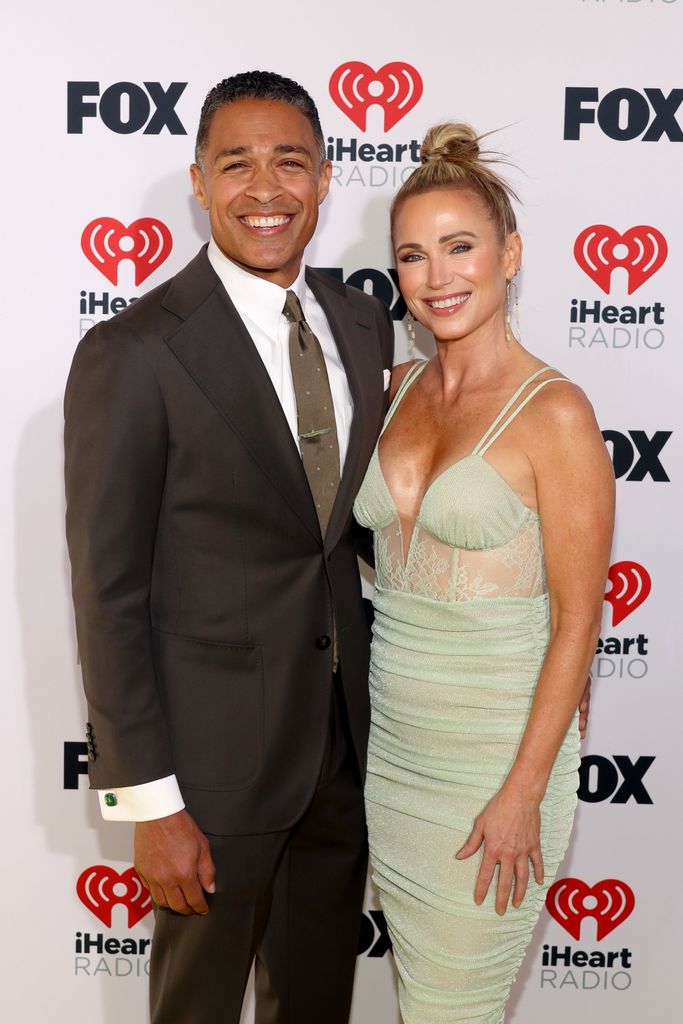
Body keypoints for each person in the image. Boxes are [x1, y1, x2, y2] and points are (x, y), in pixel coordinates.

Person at [64, 71, 394, 1024]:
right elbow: (108, 595)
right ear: (199, 184)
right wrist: (146, 803)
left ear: (326, 179)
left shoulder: (362, 322)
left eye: (289, 161)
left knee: (317, 1005)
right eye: (235, 164)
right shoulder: (134, 353)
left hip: (340, 754)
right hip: (205, 780)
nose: (265, 188)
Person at [353, 122, 614, 1023]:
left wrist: (522, 791)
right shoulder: (387, 393)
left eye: (459, 248)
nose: (437, 278)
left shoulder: (558, 413)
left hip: (495, 762)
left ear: (509, 256)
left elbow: (580, 620)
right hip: (396, 753)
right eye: (413, 257)